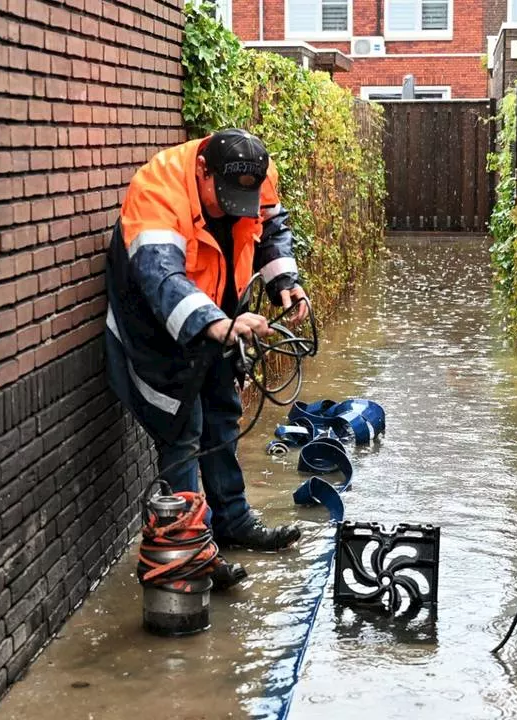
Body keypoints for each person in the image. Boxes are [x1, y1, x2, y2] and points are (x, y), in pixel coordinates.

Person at [104, 128, 308, 566]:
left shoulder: (256, 171)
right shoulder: (157, 189)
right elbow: (161, 278)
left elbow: (270, 225)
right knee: (182, 431)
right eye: (223, 198)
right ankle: (189, 552)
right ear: (202, 171)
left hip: (219, 316)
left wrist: (285, 283)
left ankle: (231, 522)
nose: (232, 210)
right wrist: (214, 323)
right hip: (156, 327)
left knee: (221, 413)